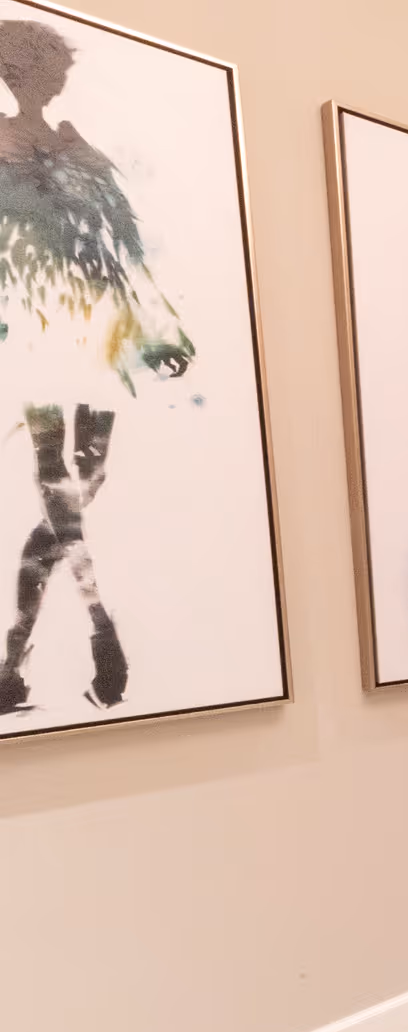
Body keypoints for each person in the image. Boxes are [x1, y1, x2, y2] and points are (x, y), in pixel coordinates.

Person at [0, 20, 192, 714]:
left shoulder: (75, 143)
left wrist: (160, 329)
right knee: (58, 484)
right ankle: (101, 631)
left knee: (81, 486)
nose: (61, 80)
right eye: (53, 68)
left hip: (97, 332)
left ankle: (14, 654)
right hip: (34, 329)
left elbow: (123, 247)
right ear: (25, 72)